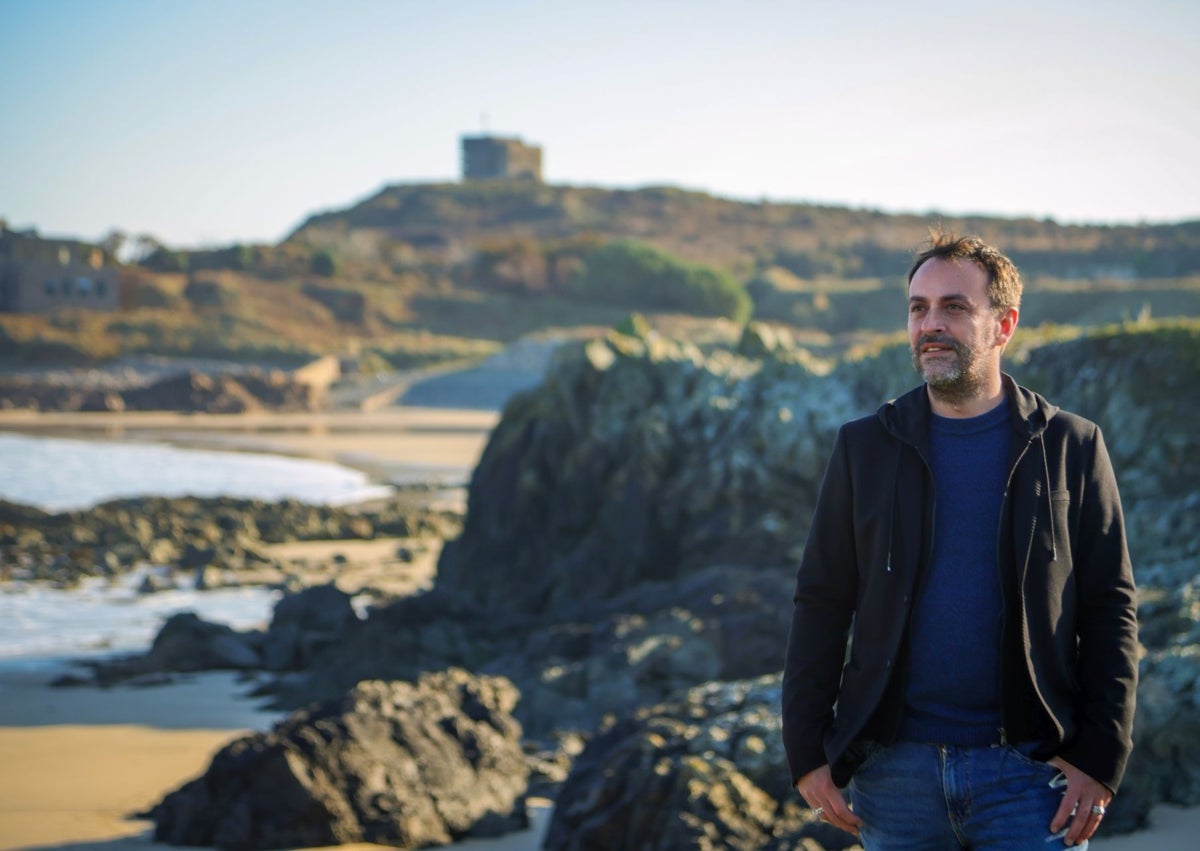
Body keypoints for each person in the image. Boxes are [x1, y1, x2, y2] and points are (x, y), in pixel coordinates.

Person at [780, 231, 1138, 849]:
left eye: (954, 307)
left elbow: (1111, 609)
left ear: (1004, 325)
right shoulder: (865, 447)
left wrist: (1099, 758)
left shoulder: (1071, 447)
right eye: (919, 308)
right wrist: (808, 751)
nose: (931, 325)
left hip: (1031, 777)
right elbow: (822, 600)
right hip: (894, 777)